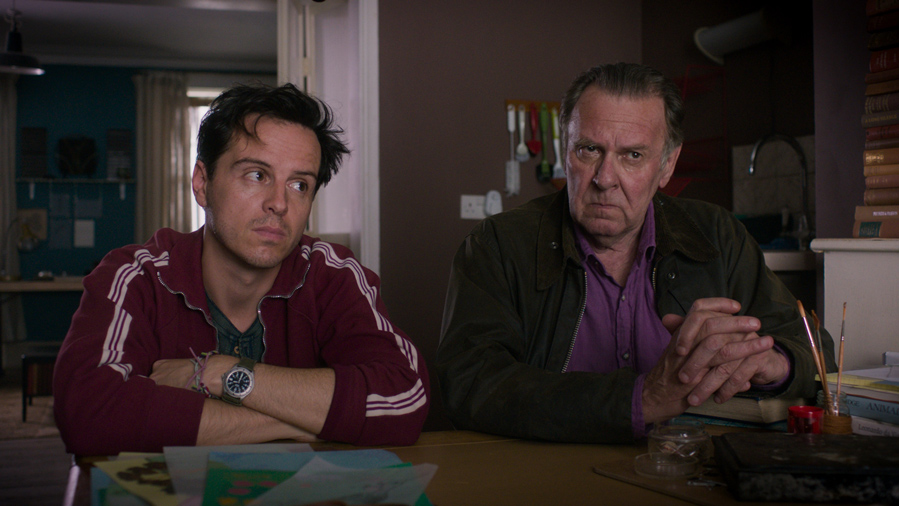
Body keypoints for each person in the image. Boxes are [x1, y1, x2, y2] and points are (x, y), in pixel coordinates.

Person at [436, 63, 834, 443]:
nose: (605, 178)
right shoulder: (498, 245)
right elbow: (469, 383)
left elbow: (817, 350)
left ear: (667, 165)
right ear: (565, 152)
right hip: (543, 473)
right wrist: (641, 400)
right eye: (589, 150)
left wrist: (773, 362)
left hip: (688, 465)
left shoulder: (718, 235)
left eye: (633, 155)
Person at [53, 83, 429, 456]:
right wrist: (303, 421)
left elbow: (405, 396)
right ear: (202, 184)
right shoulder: (137, 276)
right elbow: (88, 412)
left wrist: (218, 372)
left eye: (299, 184)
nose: (279, 203)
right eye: (257, 175)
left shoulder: (334, 275)